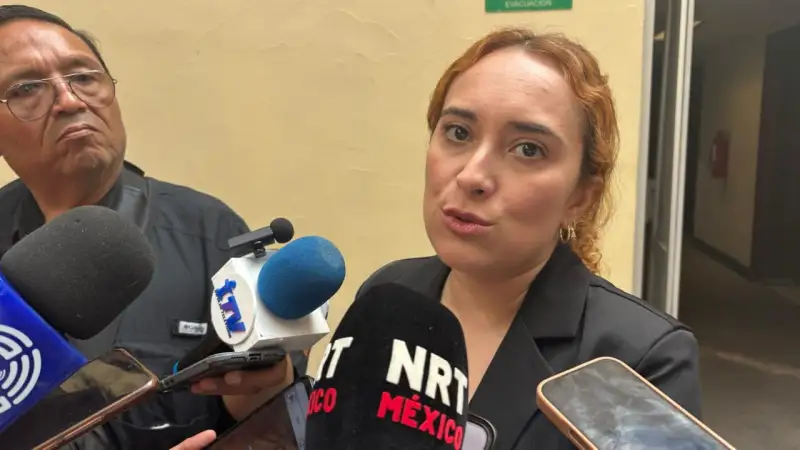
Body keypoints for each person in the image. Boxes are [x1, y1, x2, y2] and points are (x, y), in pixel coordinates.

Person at [173, 26, 703, 450]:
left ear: (581, 196)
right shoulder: (391, 294)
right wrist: (268, 401)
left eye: (528, 149)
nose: (472, 175)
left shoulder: (638, 357)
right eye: (458, 132)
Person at [0, 5, 309, 449]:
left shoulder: (209, 232)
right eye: (27, 88)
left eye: (84, 77)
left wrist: (266, 389)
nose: (70, 101)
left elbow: (268, 422)